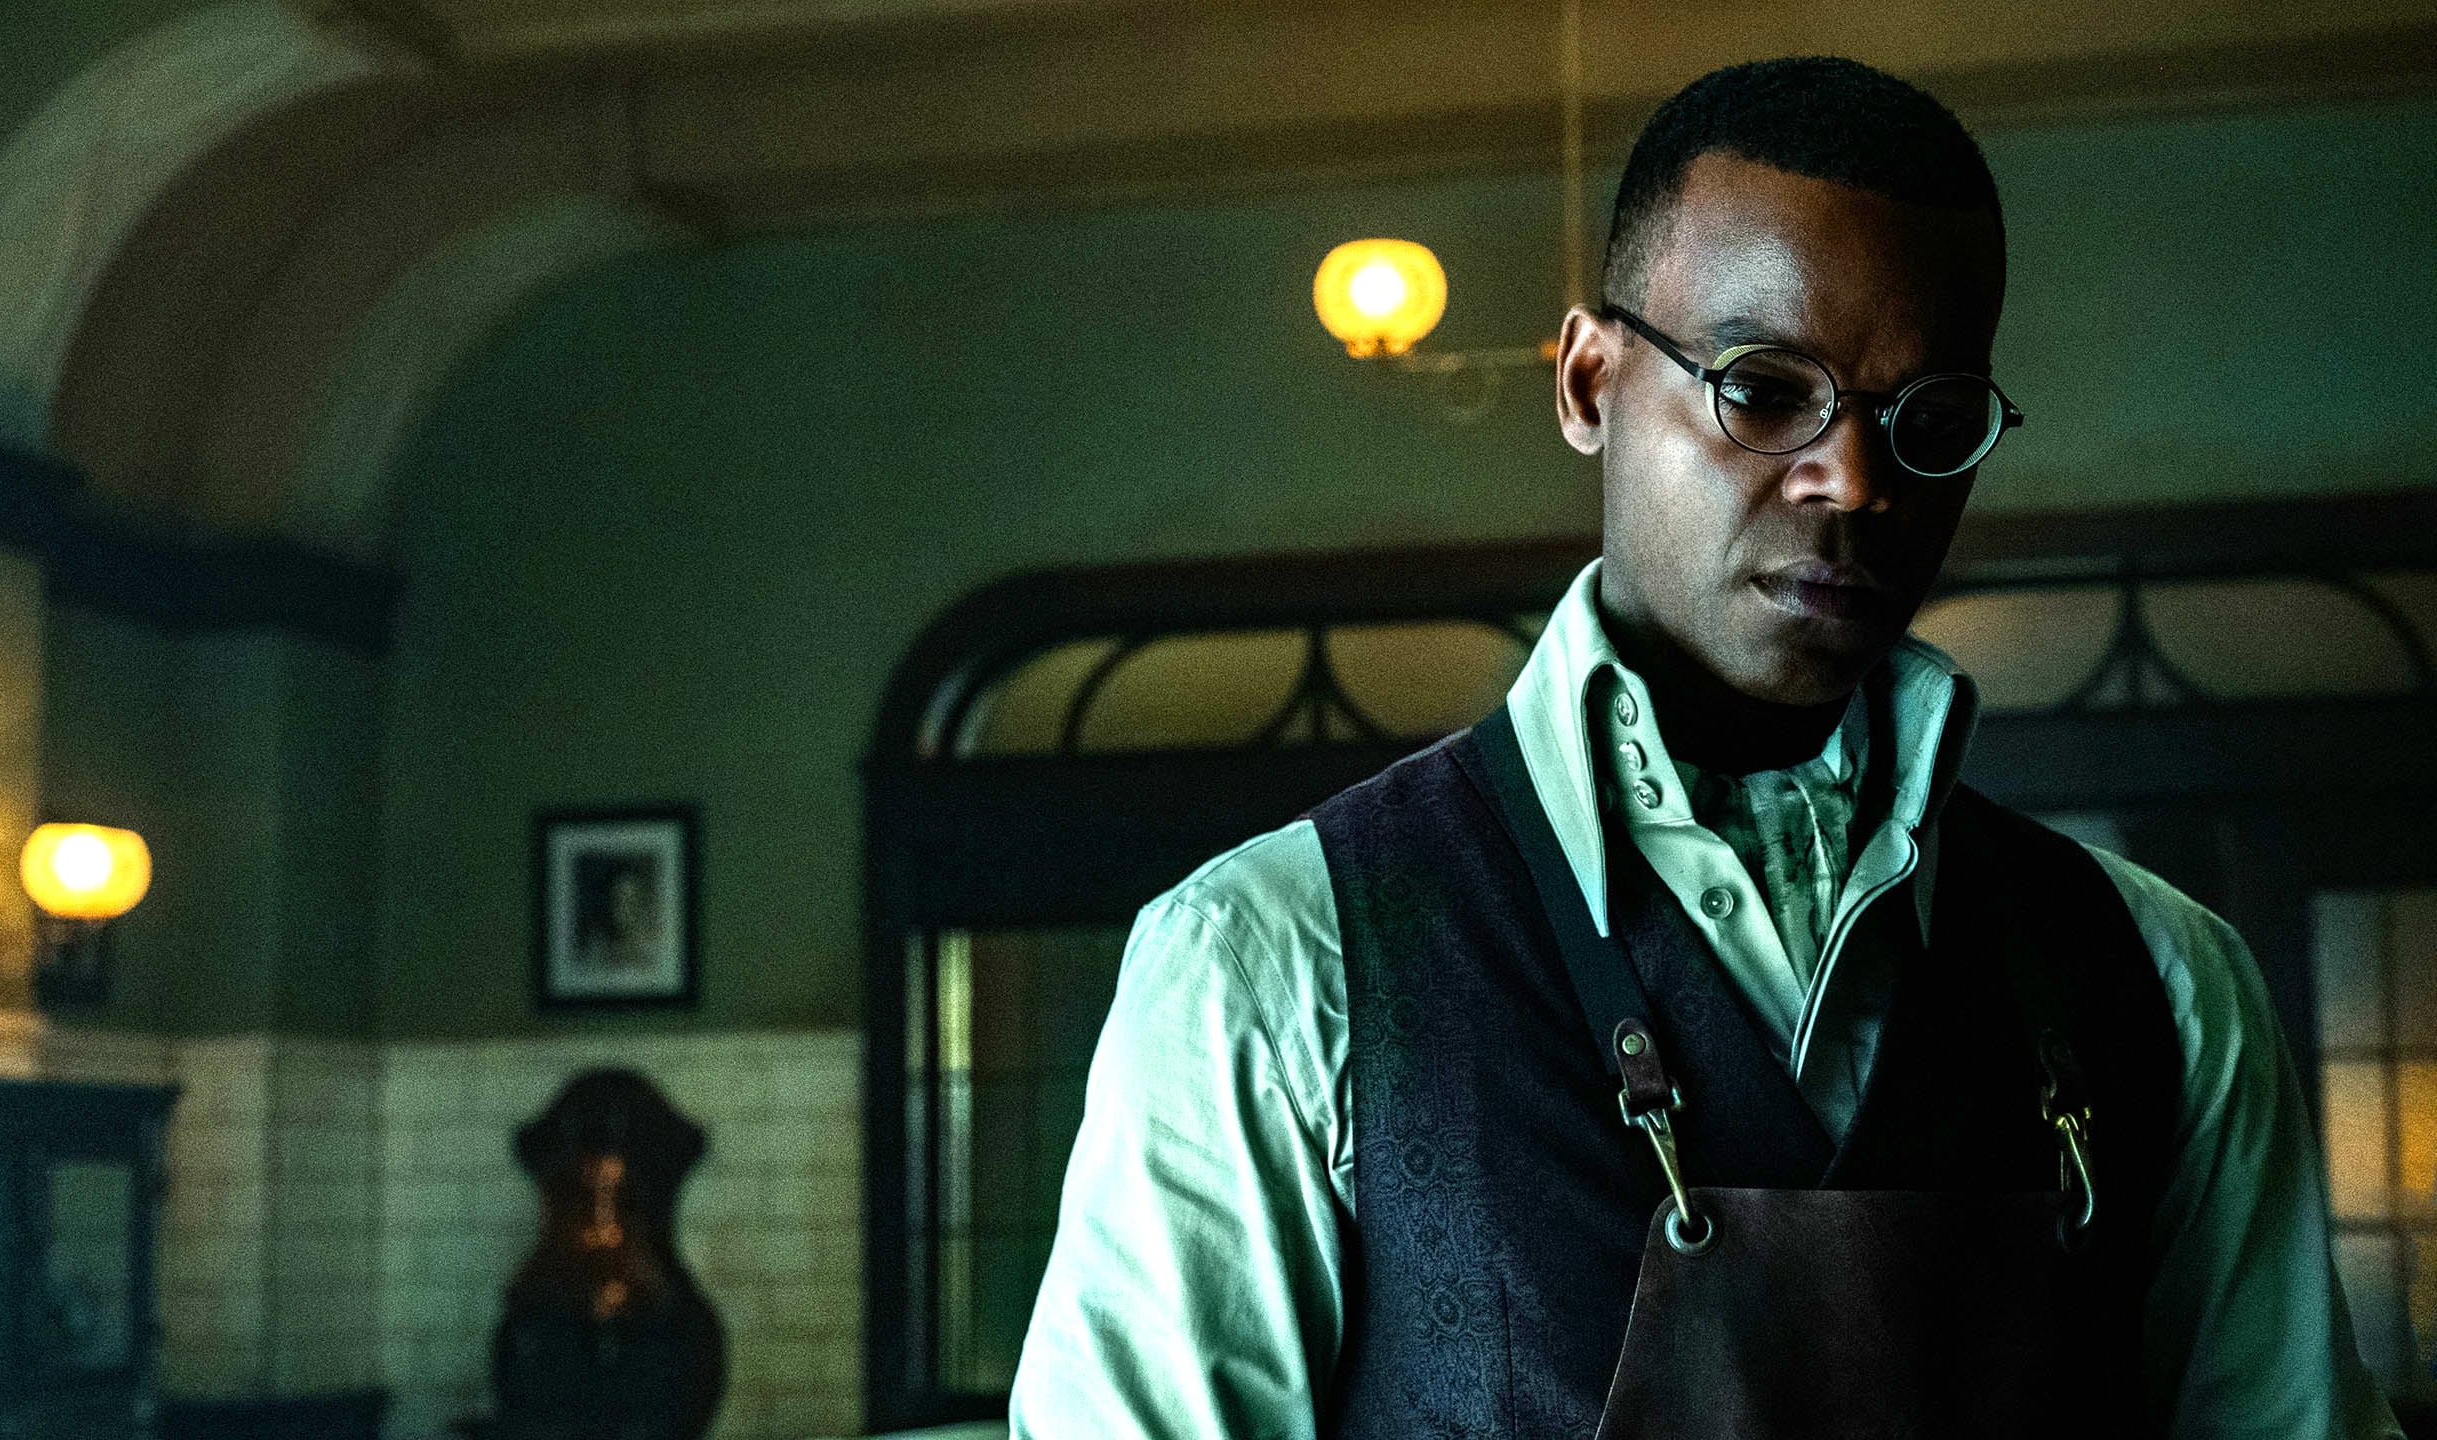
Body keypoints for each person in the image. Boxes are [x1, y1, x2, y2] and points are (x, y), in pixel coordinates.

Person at [1008, 56, 2401, 1439]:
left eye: (1928, 422)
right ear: (1588, 382)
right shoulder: (1275, 964)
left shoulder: (2164, 981)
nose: (1854, 480)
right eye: (1766, 389)